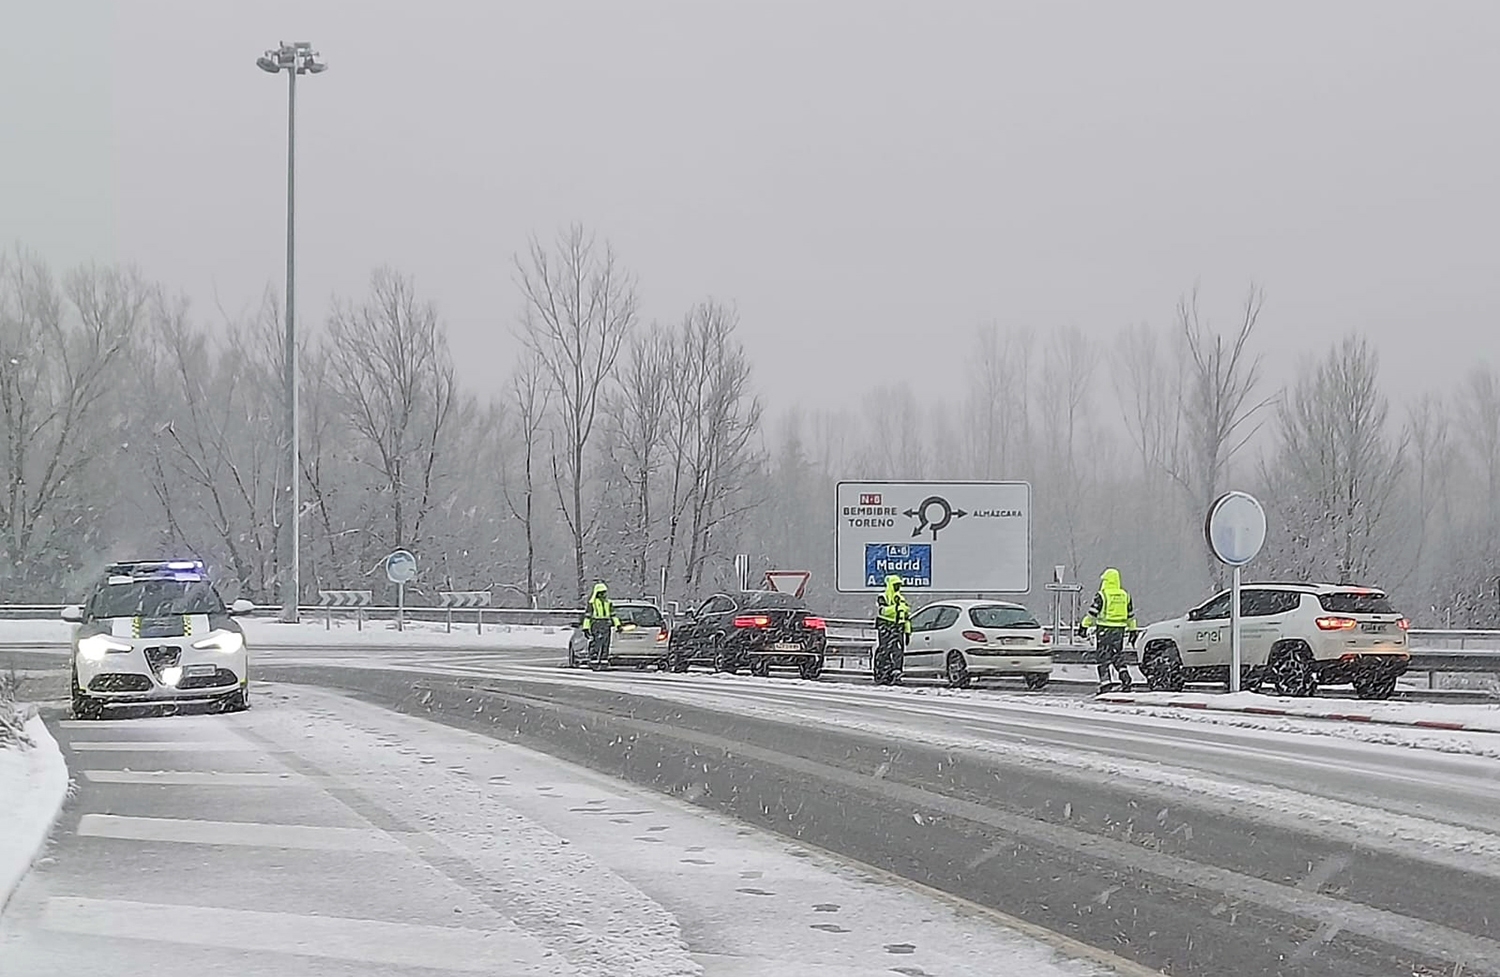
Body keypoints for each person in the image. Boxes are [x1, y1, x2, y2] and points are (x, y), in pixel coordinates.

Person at [1078, 567, 1139, 693]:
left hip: (1104, 630)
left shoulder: (1102, 595)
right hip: (1120, 631)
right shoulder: (1125, 596)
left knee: (1103, 657)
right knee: (1117, 656)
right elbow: (1131, 616)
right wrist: (1133, 631)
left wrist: (1084, 626)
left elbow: (1092, 614)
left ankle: (1106, 683)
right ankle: (1125, 677)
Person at [874, 574, 912, 685]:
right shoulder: (883, 597)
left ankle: (896, 672)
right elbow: (883, 611)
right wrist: (896, 608)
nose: (897, 587)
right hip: (885, 626)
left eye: (899, 585)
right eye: (896, 585)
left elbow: (906, 616)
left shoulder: (901, 598)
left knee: (898, 652)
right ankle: (883, 673)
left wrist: (907, 631)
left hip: (898, 628)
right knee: (885, 651)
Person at [581, 582, 619, 670]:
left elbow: (613, 615)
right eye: (601, 593)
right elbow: (588, 616)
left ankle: (603, 661)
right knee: (596, 643)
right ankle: (594, 661)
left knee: (606, 643)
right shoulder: (592, 603)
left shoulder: (608, 603)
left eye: (604, 592)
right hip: (596, 623)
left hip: (606, 624)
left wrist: (618, 625)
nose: (603, 595)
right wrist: (586, 628)